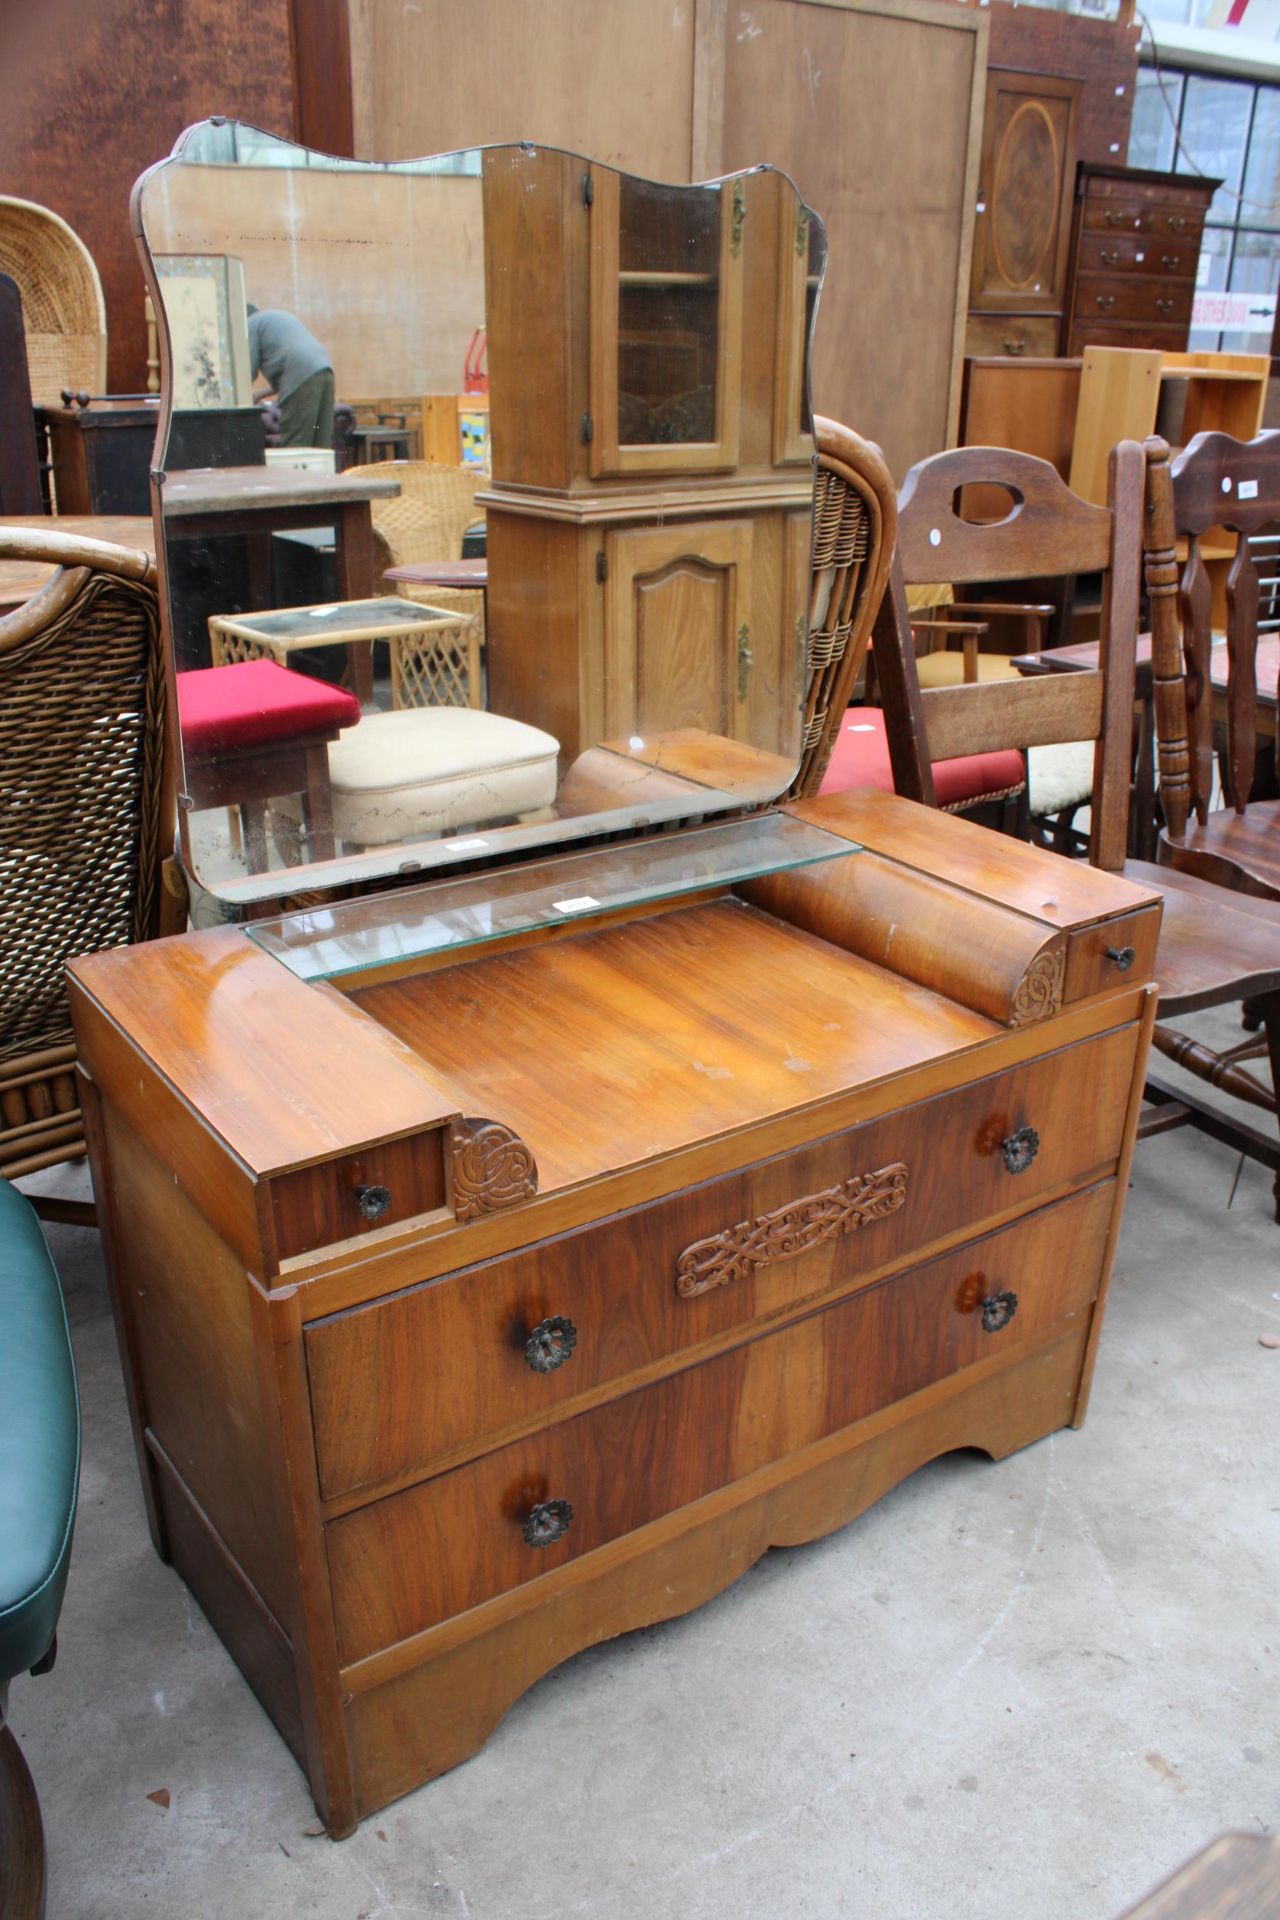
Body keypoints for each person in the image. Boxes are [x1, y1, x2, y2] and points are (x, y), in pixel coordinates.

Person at [246, 303, 335, 449]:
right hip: (325, 370)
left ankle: (294, 473)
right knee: (321, 446)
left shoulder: (250, 324)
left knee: (296, 445)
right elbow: (295, 363)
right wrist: (260, 393)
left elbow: (247, 370)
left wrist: (237, 399)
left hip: (302, 375)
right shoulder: (272, 318)